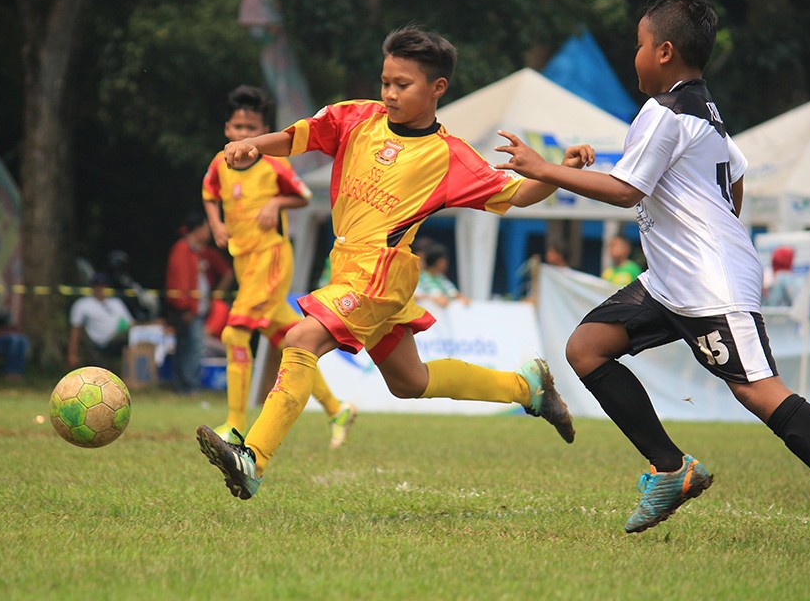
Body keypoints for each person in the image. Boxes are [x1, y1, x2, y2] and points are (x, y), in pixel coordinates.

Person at [494, 0, 810, 549]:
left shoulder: (664, 111)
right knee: (586, 347)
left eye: (638, 43)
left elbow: (625, 190)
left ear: (663, 52)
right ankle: (672, 469)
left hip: (709, 282)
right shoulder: (702, 109)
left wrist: (545, 168)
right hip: (671, 281)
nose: (632, 54)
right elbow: (734, 176)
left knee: (759, 391)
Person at [196, 25, 580, 500]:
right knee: (409, 382)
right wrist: (257, 144)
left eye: (403, 85)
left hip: (379, 273)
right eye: (386, 82)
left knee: (300, 338)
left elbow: (520, 194)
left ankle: (252, 456)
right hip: (350, 267)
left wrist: (559, 169)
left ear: (437, 88)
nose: (390, 93)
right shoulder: (357, 118)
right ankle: (527, 388)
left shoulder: (448, 156)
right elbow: (301, 137)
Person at [203, 85, 357, 449]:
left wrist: (277, 203)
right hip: (244, 262)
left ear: (262, 132)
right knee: (290, 342)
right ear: (227, 129)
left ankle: (234, 426)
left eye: (251, 128)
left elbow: (303, 197)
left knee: (234, 333)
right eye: (238, 127)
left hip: (272, 259)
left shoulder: (275, 164)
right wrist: (215, 223)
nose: (243, 135)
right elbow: (209, 193)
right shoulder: (218, 164)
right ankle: (337, 409)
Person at [165, 211, 212, 394]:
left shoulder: (191, 250)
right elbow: (181, 281)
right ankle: (188, 386)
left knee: (186, 347)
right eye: (207, 227)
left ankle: (183, 385)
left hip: (191, 309)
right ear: (198, 229)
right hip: (186, 310)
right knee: (192, 347)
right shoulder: (183, 249)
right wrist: (185, 307)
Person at [67, 272, 134, 368]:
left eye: (103, 286)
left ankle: (138, 372)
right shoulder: (83, 304)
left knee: (136, 335)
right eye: (97, 286)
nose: (100, 289)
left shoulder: (116, 303)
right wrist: (72, 354)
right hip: (103, 341)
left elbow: (131, 323)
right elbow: (76, 330)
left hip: (121, 337)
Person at [414, 242, 468, 307]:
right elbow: (415, 295)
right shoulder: (420, 277)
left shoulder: (440, 277)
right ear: (439, 262)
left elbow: (452, 292)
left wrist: (460, 297)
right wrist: (433, 298)